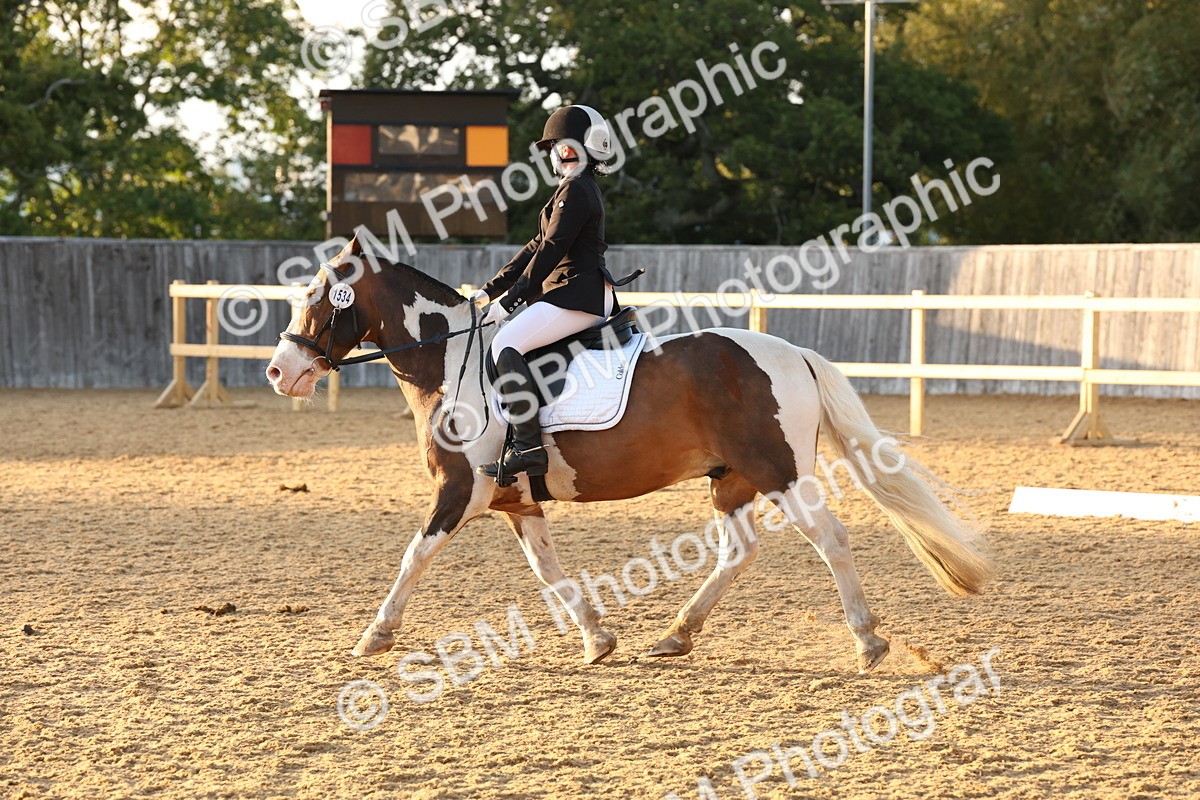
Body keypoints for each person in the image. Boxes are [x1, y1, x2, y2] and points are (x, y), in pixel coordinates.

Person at [468, 104, 640, 482]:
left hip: (575, 296)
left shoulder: (577, 189)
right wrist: (491, 289)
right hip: (575, 295)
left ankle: (528, 448)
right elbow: (535, 245)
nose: (550, 153)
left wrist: (508, 304)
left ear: (569, 149)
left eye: (554, 146)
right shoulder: (573, 188)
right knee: (509, 342)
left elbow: (552, 250)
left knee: (504, 345)